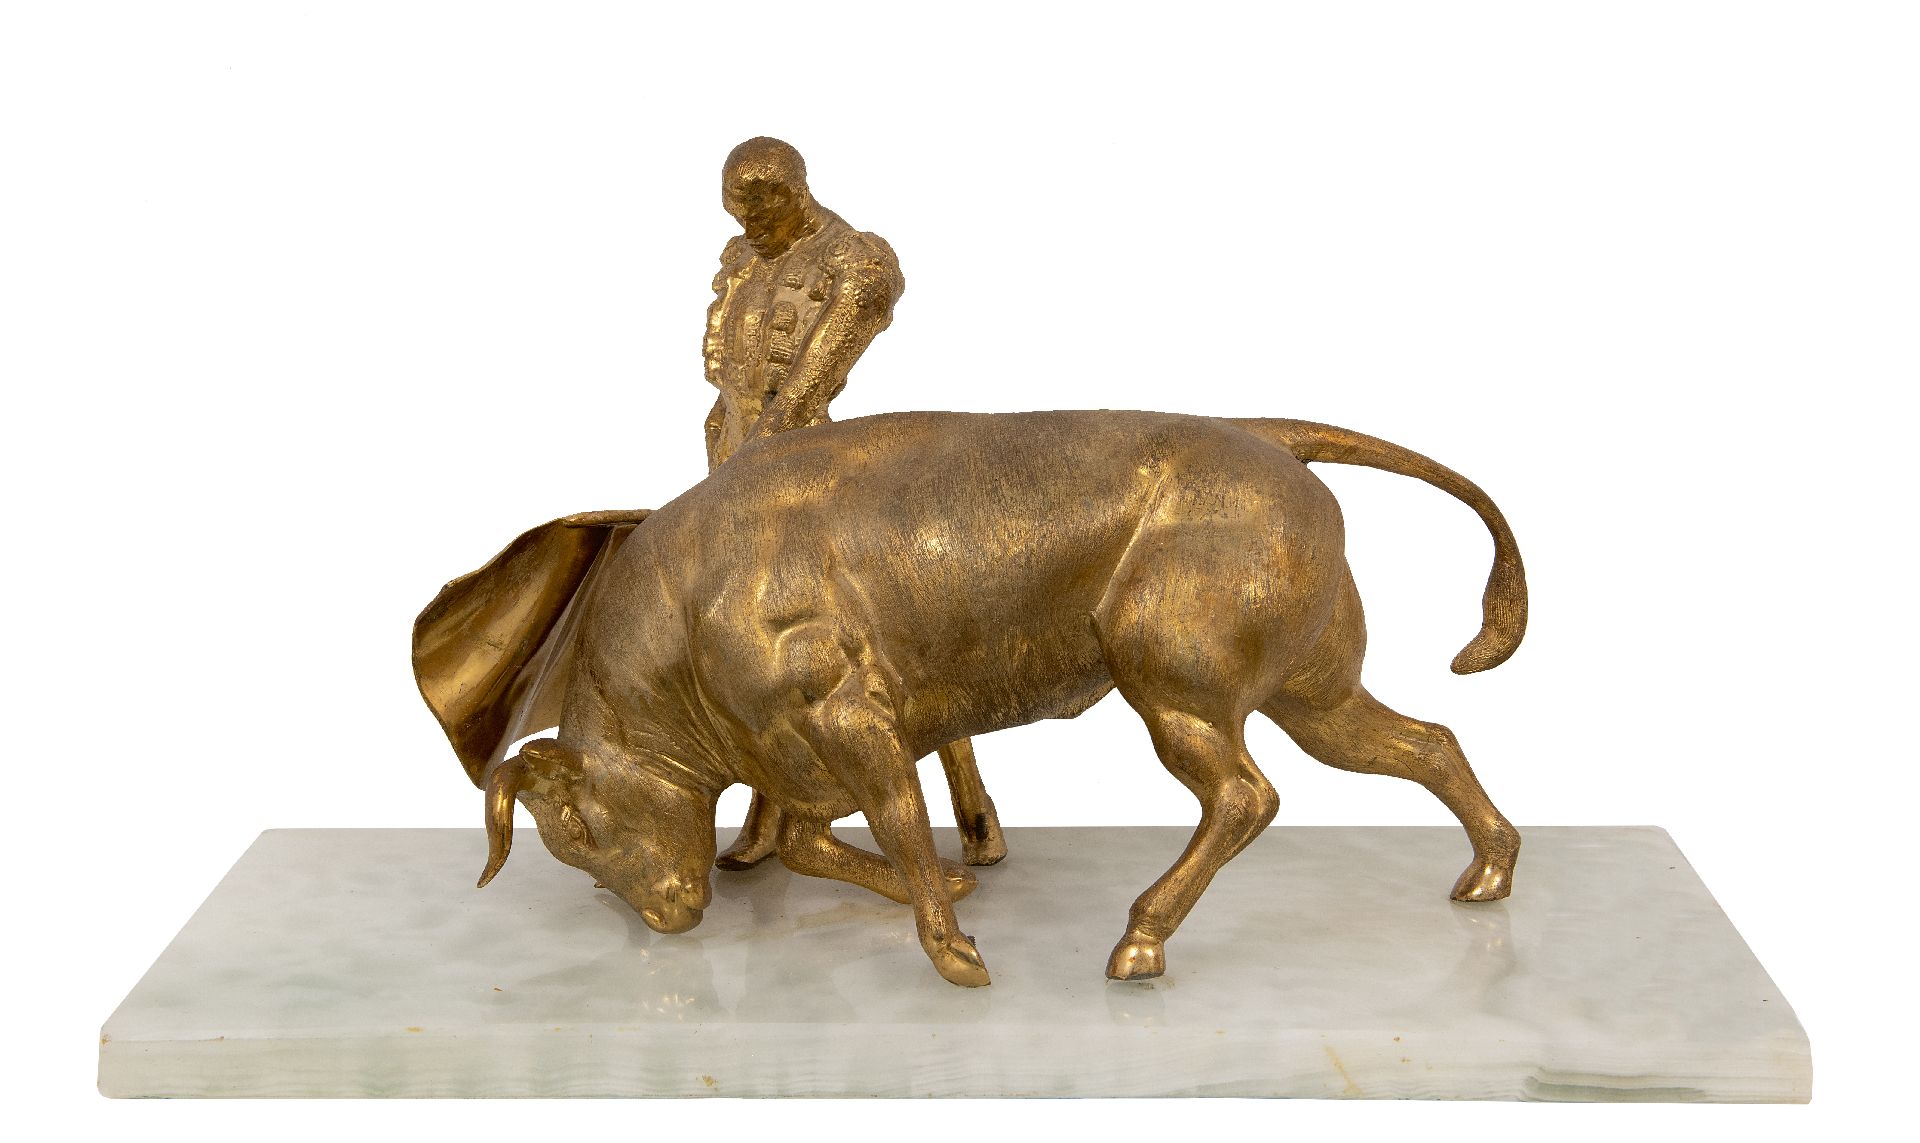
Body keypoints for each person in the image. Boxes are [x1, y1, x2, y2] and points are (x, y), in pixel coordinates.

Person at [702, 137, 1006, 870]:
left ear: (791, 193)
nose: (746, 225)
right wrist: (723, 451)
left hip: (805, 470)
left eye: (757, 210)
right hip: (735, 460)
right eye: (735, 211)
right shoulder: (744, 256)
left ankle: (969, 800)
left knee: (875, 643)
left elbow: (808, 382)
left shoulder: (855, 260)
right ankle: (771, 809)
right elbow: (731, 377)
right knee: (764, 648)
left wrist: (756, 463)